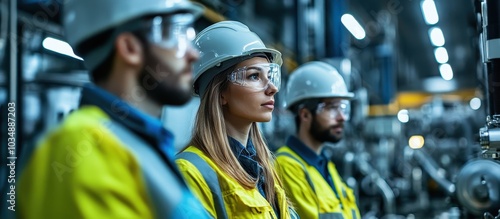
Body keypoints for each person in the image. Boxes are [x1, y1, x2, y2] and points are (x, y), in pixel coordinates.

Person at [17, 0, 211, 218]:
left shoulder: (140, 144)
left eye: (188, 34)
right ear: (129, 48)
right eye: (175, 34)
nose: (193, 54)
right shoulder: (86, 144)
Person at [175, 21, 298, 219]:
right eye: (254, 76)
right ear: (220, 93)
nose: (272, 88)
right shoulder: (191, 172)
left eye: (270, 75)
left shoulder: (264, 169)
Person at [275, 61, 361, 219]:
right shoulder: (287, 167)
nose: (342, 117)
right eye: (331, 108)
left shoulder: (324, 163)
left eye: (343, 108)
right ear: (305, 115)